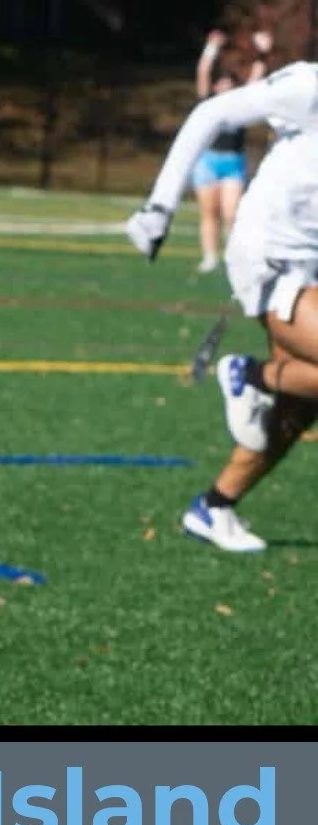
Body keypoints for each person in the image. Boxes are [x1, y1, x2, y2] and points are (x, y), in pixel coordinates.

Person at [125, 61, 318, 552]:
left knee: (303, 400)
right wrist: (160, 205)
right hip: (270, 255)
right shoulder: (306, 87)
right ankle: (249, 377)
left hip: (311, 265)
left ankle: (214, 507)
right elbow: (211, 113)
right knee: (292, 383)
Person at [190, 31, 252, 274]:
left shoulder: (242, 107)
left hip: (233, 162)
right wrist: (211, 48)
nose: (225, 85)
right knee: (209, 212)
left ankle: (233, 256)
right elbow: (203, 71)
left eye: (230, 82)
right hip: (208, 161)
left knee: (231, 213)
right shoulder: (208, 104)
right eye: (222, 82)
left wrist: (261, 53)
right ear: (216, 87)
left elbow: (257, 81)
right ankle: (209, 256)